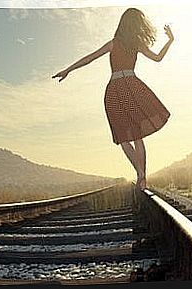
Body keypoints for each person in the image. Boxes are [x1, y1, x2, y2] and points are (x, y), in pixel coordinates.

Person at [53, 8, 174, 191]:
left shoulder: (114, 43)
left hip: (114, 90)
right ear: (137, 25)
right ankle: (142, 176)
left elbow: (89, 58)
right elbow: (158, 58)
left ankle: (139, 173)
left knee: (123, 136)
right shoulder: (137, 44)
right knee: (137, 136)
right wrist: (170, 40)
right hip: (132, 87)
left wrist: (68, 69)